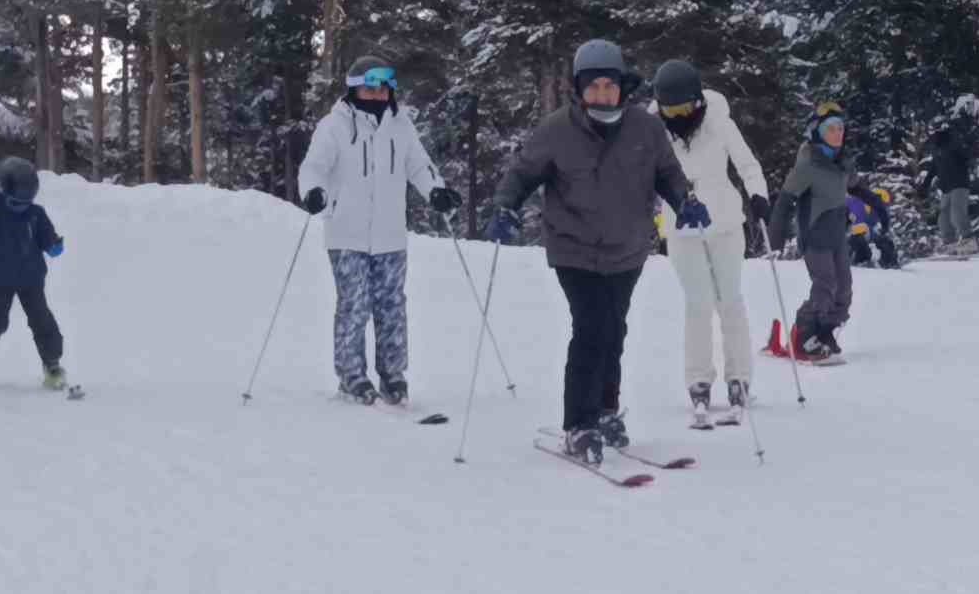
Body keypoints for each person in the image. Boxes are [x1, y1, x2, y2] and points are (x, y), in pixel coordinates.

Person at [488, 40, 707, 465]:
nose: (602, 94)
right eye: (593, 86)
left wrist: (686, 202)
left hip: (627, 248)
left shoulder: (646, 129)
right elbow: (522, 174)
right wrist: (505, 208)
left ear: (622, 86)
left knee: (614, 330)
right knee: (591, 329)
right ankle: (579, 424)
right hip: (573, 247)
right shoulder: (556, 130)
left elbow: (668, 174)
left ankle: (606, 410)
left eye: (610, 85)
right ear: (578, 88)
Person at [298, 55, 460, 407]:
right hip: (346, 232)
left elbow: (419, 165)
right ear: (355, 89)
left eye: (384, 89)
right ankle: (353, 378)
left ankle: (393, 376)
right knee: (354, 305)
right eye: (371, 89)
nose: (378, 95)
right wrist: (313, 191)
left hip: (390, 234)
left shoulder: (401, 126)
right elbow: (313, 167)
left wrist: (435, 191)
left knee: (391, 306)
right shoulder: (334, 126)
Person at [646, 60, 770, 426]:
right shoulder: (653, 131)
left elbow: (748, 165)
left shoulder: (718, 120)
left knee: (729, 299)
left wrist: (758, 194)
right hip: (681, 227)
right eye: (671, 111)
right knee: (697, 303)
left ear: (698, 101)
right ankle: (698, 380)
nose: (680, 117)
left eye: (685, 108)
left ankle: (739, 377)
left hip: (726, 222)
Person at [0, 158, 67, 395]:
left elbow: (47, 239)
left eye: (27, 198)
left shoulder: (36, 214)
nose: (22, 204)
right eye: (17, 198)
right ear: (3, 189)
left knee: (42, 320)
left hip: (31, 279)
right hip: (1, 278)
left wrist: (53, 246)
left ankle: (52, 365)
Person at [767, 101, 860, 360]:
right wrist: (775, 238)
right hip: (815, 235)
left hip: (837, 235)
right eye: (831, 128)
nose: (837, 133)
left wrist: (877, 205)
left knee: (844, 288)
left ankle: (825, 332)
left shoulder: (842, 162)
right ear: (817, 131)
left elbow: (856, 186)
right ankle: (804, 336)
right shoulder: (807, 164)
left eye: (840, 128)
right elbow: (785, 201)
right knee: (825, 284)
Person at [920, 127, 973, 253]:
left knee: (957, 213)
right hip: (946, 188)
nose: (932, 138)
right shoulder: (937, 150)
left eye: (934, 135)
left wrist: (964, 156)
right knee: (943, 219)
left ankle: (968, 241)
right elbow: (933, 169)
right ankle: (950, 243)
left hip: (959, 184)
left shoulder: (953, 145)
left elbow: (967, 155)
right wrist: (924, 186)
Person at [847, 186, 899, 269]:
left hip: (863, 231)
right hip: (847, 233)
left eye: (885, 205)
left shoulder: (876, 212)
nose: (883, 208)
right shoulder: (857, 204)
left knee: (884, 240)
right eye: (883, 205)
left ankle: (890, 263)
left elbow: (872, 226)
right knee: (859, 239)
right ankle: (860, 262)